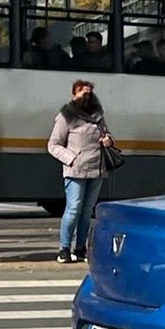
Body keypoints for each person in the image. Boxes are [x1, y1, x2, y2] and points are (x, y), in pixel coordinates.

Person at [47, 79, 114, 264]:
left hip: (96, 169)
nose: (87, 95)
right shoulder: (66, 115)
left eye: (90, 92)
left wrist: (108, 139)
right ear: (74, 94)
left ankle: (80, 247)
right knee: (73, 209)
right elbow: (53, 144)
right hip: (75, 170)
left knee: (87, 211)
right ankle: (64, 248)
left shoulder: (98, 114)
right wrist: (71, 158)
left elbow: (106, 133)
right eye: (83, 92)